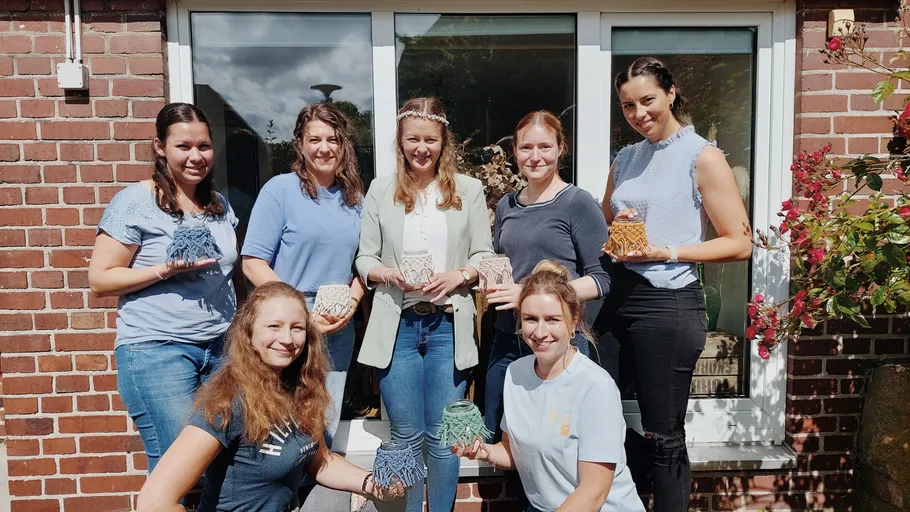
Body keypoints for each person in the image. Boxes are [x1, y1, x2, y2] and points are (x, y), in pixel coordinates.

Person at [595, 56, 753, 512]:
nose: (639, 113)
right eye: (628, 106)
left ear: (670, 93)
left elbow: (739, 243)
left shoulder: (702, 155)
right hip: (617, 294)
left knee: (663, 432)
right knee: (595, 411)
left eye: (647, 100)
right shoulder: (624, 158)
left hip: (668, 301)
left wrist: (666, 251)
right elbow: (607, 225)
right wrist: (618, 223)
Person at [135, 282, 402, 512]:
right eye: (274, 326)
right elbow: (154, 501)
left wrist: (373, 483)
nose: (287, 338)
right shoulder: (228, 402)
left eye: (297, 328)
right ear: (249, 334)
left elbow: (321, 462)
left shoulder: (302, 390)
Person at [355, 97, 494, 512]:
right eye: (412, 139)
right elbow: (365, 257)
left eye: (430, 139)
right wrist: (386, 275)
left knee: (443, 433)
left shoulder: (468, 190)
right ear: (400, 142)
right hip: (397, 324)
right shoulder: (381, 189)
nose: (421, 148)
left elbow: (483, 255)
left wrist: (460, 276)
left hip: (447, 324)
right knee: (406, 434)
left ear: (443, 141)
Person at [88, 102, 239, 474]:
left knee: (223, 462)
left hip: (220, 349)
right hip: (158, 351)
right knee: (177, 467)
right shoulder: (134, 202)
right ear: (160, 147)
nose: (195, 157)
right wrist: (165, 270)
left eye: (203, 146)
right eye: (183, 147)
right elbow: (100, 279)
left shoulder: (220, 205)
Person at [453, 261, 644, 512]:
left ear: (573, 321)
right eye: (531, 319)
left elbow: (594, 492)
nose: (540, 332)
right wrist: (483, 452)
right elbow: (513, 451)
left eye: (552, 319)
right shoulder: (516, 373)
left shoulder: (595, 386)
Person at [241, 102, 365, 448]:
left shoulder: (355, 199)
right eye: (315, 139)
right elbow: (252, 262)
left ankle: (315, 497)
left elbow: (366, 262)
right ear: (300, 144)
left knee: (323, 421)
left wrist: (353, 301)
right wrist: (298, 313)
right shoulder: (279, 191)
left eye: (333, 140)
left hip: (337, 323)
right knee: (279, 423)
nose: (324, 148)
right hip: (286, 324)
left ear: (343, 146)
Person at [484, 110, 611, 440]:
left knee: (558, 438)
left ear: (560, 148)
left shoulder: (578, 203)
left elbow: (600, 279)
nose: (535, 156)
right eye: (526, 148)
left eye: (544, 147)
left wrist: (527, 295)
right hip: (508, 338)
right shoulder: (506, 206)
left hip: (558, 342)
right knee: (499, 435)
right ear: (515, 151)